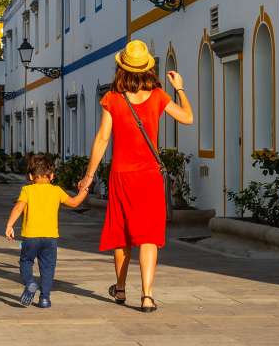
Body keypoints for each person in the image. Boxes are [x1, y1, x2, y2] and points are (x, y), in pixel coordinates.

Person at [77, 40, 193, 313]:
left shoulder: (113, 99)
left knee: (123, 234)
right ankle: (147, 296)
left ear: (122, 68)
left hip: (122, 174)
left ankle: (119, 288)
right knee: (149, 236)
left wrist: (89, 175)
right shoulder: (159, 96)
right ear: (148, 69)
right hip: (149, 176)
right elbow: (188, 117)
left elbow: (103, 138)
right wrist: (179, 89)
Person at [5, 154, 89, 308]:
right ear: (52, 175)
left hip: (30, 237)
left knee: (25, 262)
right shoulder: (56, 190)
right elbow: (74, 202)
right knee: (48, 267)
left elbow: (18, 208)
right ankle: (45, 299)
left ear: (31, 176)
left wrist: (10, 225)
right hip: (50, 238)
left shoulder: (27, 190)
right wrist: (84, 190)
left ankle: (30, 282)